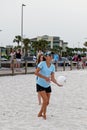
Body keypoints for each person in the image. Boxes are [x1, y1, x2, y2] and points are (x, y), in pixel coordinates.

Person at [35, 52, 62, 120]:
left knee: (47, 102)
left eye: (52, 56)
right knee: (45, 100)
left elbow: (52, 78)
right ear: (46, 57)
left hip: (47, 85)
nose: (51, 57)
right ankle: (44, 114)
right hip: (40, 84)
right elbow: (36, 73)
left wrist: (57, 83)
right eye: (49, 56)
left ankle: (40, 113)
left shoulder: (52, 66)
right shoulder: (42, 63)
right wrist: (45, 77)